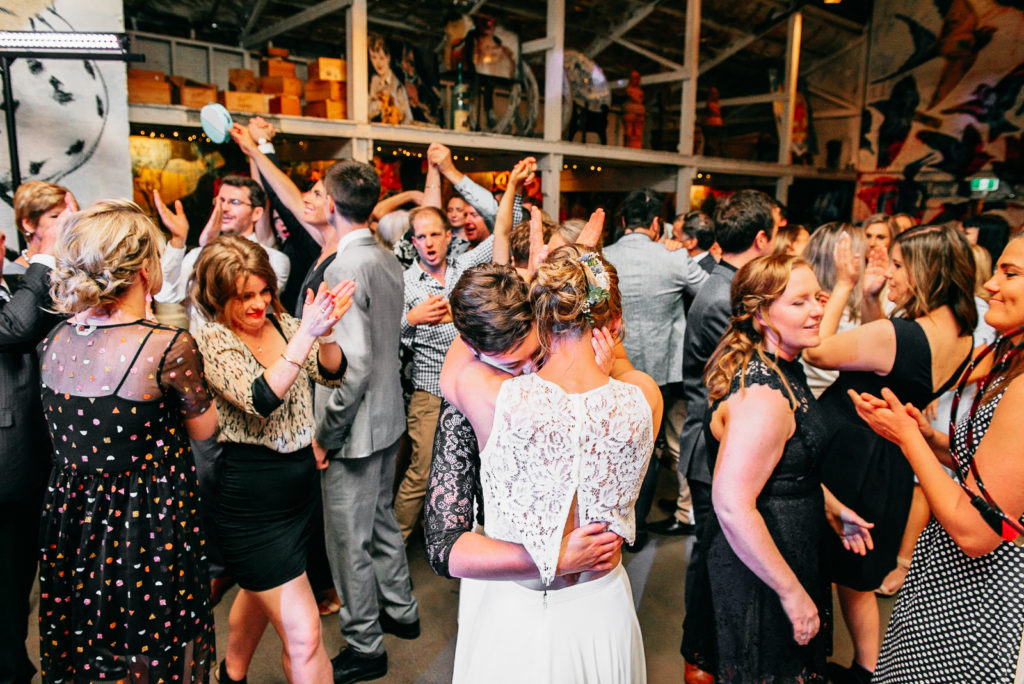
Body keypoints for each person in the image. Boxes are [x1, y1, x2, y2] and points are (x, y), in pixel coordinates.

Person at [442, 246, 662, 683]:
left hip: (519, 612)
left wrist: (506, 288)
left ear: (539, 318)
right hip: (602, 607)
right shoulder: (644, 396)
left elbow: (459, 358)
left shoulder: (491, 396)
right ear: (612, 325)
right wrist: (612, 359)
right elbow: (622, 376)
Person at [37, 200, 219, 682]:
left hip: (73, 521)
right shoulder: (166, 346)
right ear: (144, 269)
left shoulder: (55, 338)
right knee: (148, 642)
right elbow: (205, 430)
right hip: (145, 521)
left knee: (88, 642)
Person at [803, 224, 976, 684]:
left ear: (926, 272)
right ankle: (867, 669)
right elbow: (889, 362)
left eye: (899, 265)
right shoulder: (960, 336)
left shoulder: (901, 333)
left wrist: (843, 284)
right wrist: (873, 300)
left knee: (826, 562)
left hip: (850, 454)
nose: (891, 271)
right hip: (892, 458)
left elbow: (817, 351)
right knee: (857, 575)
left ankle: (812, 666)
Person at [848, 234, 1024, 683]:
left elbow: (977, 529)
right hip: (952, 584)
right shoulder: (1012, 359)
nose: (989, 286)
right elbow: (989, 468)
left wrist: (908, 439)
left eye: (1011, 274)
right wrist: (928, 437)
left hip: (978, 597)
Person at [702, 253, 873, 683]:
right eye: (799, 303)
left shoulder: (785, 367)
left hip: (788, 551)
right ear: (760, 313)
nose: (817, 310)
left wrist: (833, 507)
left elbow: (784, 466)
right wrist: (791, 593)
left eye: (817, 297)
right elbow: (732, 504)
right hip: (763, 567)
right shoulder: (763, 396)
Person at [191, 235, 353, 683]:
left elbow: (334, 373)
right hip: (251, 501)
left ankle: (232, 673)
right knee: (304, 635)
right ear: (217, 296)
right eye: (245, 296)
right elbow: (261, 397)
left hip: (300, 492)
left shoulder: (283, 324)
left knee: (260, 591)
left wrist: (326, 335)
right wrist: (306, 333)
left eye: (264, 291)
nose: (259, 304)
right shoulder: (211, 340)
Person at [313, 161, 420, 684]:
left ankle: (364, 643)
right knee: (379, 524)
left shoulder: (342, 267)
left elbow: (349, 368)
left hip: (353, 427)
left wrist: (325, 433)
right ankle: (401, 609)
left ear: (331, 204)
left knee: (347, 542)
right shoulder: (386, 257)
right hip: (389, 414)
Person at [678, 189, 777, 684]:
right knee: (711, 553)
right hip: (710, 446)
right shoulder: (724, 297)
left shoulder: (728, 287)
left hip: (718, 442)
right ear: (762, 239)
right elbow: (735, 381)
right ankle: (699, 655)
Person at [604, 189, 709, 550]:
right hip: (661, 369)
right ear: (654, 224)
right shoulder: (674, 259)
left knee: (615, 446)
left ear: (622, 223)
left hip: (612, 364)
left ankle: (612, 522)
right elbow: (711, 294)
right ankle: (638, 531)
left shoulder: (603, 257)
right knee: (648, 451)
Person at [0, 187, 71, 684]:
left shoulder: (14, 283)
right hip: (6, 465)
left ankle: (13, 664)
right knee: (5, 586)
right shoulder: (22, 284)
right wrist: (45, 254)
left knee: (15, 582)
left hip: (27, 458)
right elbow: (15, 326)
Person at [9, 180, 71, 273]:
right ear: (29, 224)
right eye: (55, 216)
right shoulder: (12, 276)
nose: (65, 221)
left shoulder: (76, 267)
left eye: (67, 215)